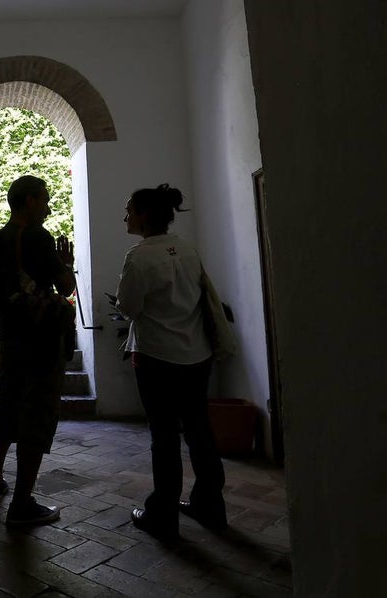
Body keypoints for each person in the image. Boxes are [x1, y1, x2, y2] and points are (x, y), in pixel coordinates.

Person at [116, 183, 227, 540]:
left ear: (145, 215)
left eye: (130, 209)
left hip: (156, 358)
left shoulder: (140, 256)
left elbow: (129, 307)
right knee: (199, 431)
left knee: (163, 437)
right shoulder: (188, 250)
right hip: (197, 355)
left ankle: (162, 514)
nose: (126, 215)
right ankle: (210, 506)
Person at [0, 175, 75, 526]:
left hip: (9, 335)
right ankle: (22, 502)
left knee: (6, 405)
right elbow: (65, 287)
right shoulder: (40, 238)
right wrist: (66, 264)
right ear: (30, 200)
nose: (49, 206)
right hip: (42, 341)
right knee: (37, 414)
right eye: (45, 199)